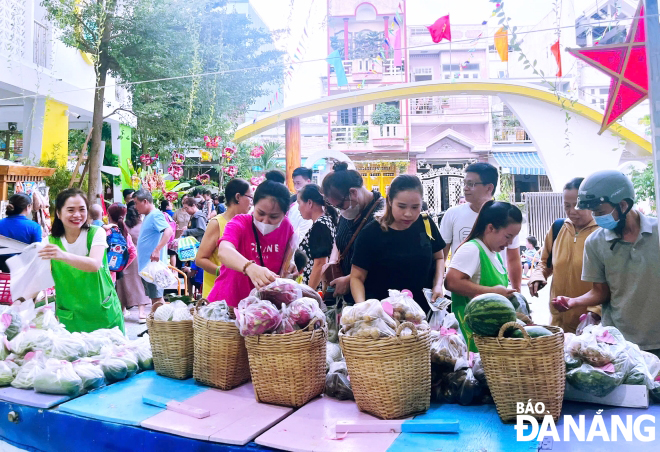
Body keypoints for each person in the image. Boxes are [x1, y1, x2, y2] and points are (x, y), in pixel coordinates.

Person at [552, 170, 660, 354]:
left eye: (600, 212)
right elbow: (600, 292)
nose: (596, 217)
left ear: (623, 205)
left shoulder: (657, 232)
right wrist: (573, 301)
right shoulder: (595, 242)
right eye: (594, 212)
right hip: (618, 344)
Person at [350, 175, 446, 311]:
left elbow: (439, 257)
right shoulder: (371, 233)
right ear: (389, 201)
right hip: (384, 316)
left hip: (423, 315)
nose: (408, 214)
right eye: (401, 206)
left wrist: (437, 286)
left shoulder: (426, 223)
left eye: (415, 207)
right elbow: (357, 277)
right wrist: (363, 308)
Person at [37, 188, 124, 333]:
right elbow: (38, 278)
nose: (77, 215)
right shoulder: (49, 241)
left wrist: (62, 255)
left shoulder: (97, 233)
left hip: (103, 314)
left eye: (82, 209)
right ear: (58, 213)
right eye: (70, 210)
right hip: (70, 317)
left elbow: (94, 265)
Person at [445, 201, 522, 351]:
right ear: (490, 228)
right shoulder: (472, 249)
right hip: (472, 341)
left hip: (488, 341)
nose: (510, 243)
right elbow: (451, 282)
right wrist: (494, 292)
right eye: (508, 236)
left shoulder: (494, 254)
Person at [528, 177, 600, 333]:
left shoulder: (603, 233)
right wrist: (538, 276)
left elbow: (613, 281)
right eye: (567, 206)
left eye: (578, 205)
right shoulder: (558, 227)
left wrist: (596, 312)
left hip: (591, 324)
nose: (572, 211)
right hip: (558, 321)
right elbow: (545, 263)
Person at [208, 179, 296, 307]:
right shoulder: (240, 222)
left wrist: (291, 267)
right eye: (260, 213)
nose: (265, 221)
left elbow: (287, 259)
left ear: (285, 213)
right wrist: (249, 267)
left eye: (274, 216)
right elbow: (224, 251)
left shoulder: (286, 227)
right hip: (228, 306)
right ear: (254, 205)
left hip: (263, 310)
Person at [440, 163, 522, 292]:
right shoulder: (452, 214)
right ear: (489, 228)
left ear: (489, 187)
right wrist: (437, 286)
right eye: (465, 183)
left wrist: (517, 292)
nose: (465, 188)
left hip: (497, 292)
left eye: (471, 184)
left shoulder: (506, 215)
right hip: (460, 295)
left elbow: (513, 258)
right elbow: (441, 255)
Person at [321, 162, 385, 305]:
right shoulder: (348, 212)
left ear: (353, 193)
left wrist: (351, 279)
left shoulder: (383, 215)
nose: (340, 211)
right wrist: (332, 263)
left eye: (340, 206)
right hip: (346, 299)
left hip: (373, 298)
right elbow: (340, 242)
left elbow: (383, 259)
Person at [196, 178, 253, 298]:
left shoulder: (249, 224)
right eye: (250, 197)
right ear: (238, 197)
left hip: (240, 294)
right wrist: (222, 272)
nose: (252, 203)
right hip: (217, 296)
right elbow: (200, 259)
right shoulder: (217, 223)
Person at [134, 189, 174, 306]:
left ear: (145, 201)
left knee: (157, 299)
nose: (135, 207)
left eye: (136, 203)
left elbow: (169, 231)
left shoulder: (155, 214)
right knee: (155, 299)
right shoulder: (148, 216)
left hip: (153, 267)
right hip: (147, 267)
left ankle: (162, 323)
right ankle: (157, 323)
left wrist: (157, 250)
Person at [296, 184, 337, 291]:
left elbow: (320, 263)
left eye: (299, 203)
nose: (298, 208)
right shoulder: (327, 221)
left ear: (309, 203)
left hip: (317, 289)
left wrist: (309, 293)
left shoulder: (320, 225)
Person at [116, 201, 151, 321]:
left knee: (123, 285)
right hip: (139, 258)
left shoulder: (123, 226)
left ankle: (121, 311)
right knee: (139, 284)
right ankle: (141, 313)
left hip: (124, 258)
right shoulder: (143, 226)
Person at [0, 193, 42, 272]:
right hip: (23, 272)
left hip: (1, 273)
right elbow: (36, 251)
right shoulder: (34, 227)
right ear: (28, 207)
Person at [103, 203, 137, 284]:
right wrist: (121, 265)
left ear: (109, 216)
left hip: (100, 274)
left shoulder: (104, 232)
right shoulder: (124, 234)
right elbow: (133, 253)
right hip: (112, 276)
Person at [288, 167, 314, 247]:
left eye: (298, 183)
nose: (296, 187)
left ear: (308, 182)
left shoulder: (314, 203)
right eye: (294, 183)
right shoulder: (292, 200)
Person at [160, 200, 177, 267]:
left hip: (163, 239)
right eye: (170, 205)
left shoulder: (160, 214)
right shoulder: (171, 214)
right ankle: (173, 269)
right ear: (166, 207)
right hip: (171, 238)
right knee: (172, 254)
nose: (172, 206)